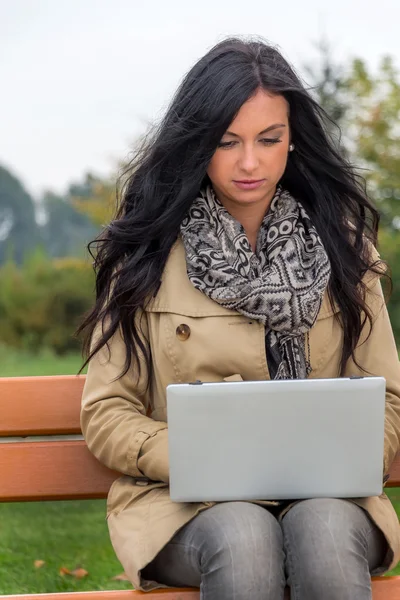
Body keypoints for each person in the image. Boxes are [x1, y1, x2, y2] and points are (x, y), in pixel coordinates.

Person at [78, 37, 400, 600]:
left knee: (321, 528)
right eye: (226, 142)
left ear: (293, 138)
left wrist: (346, 458)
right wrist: (194, 457)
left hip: (332, 498)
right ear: (197, 144)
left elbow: (389, 398)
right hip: (186, 505)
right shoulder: (146, 253)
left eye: (268, 139)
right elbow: (107, 410)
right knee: (245, 536)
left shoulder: (346, 249)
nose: (249, 162)